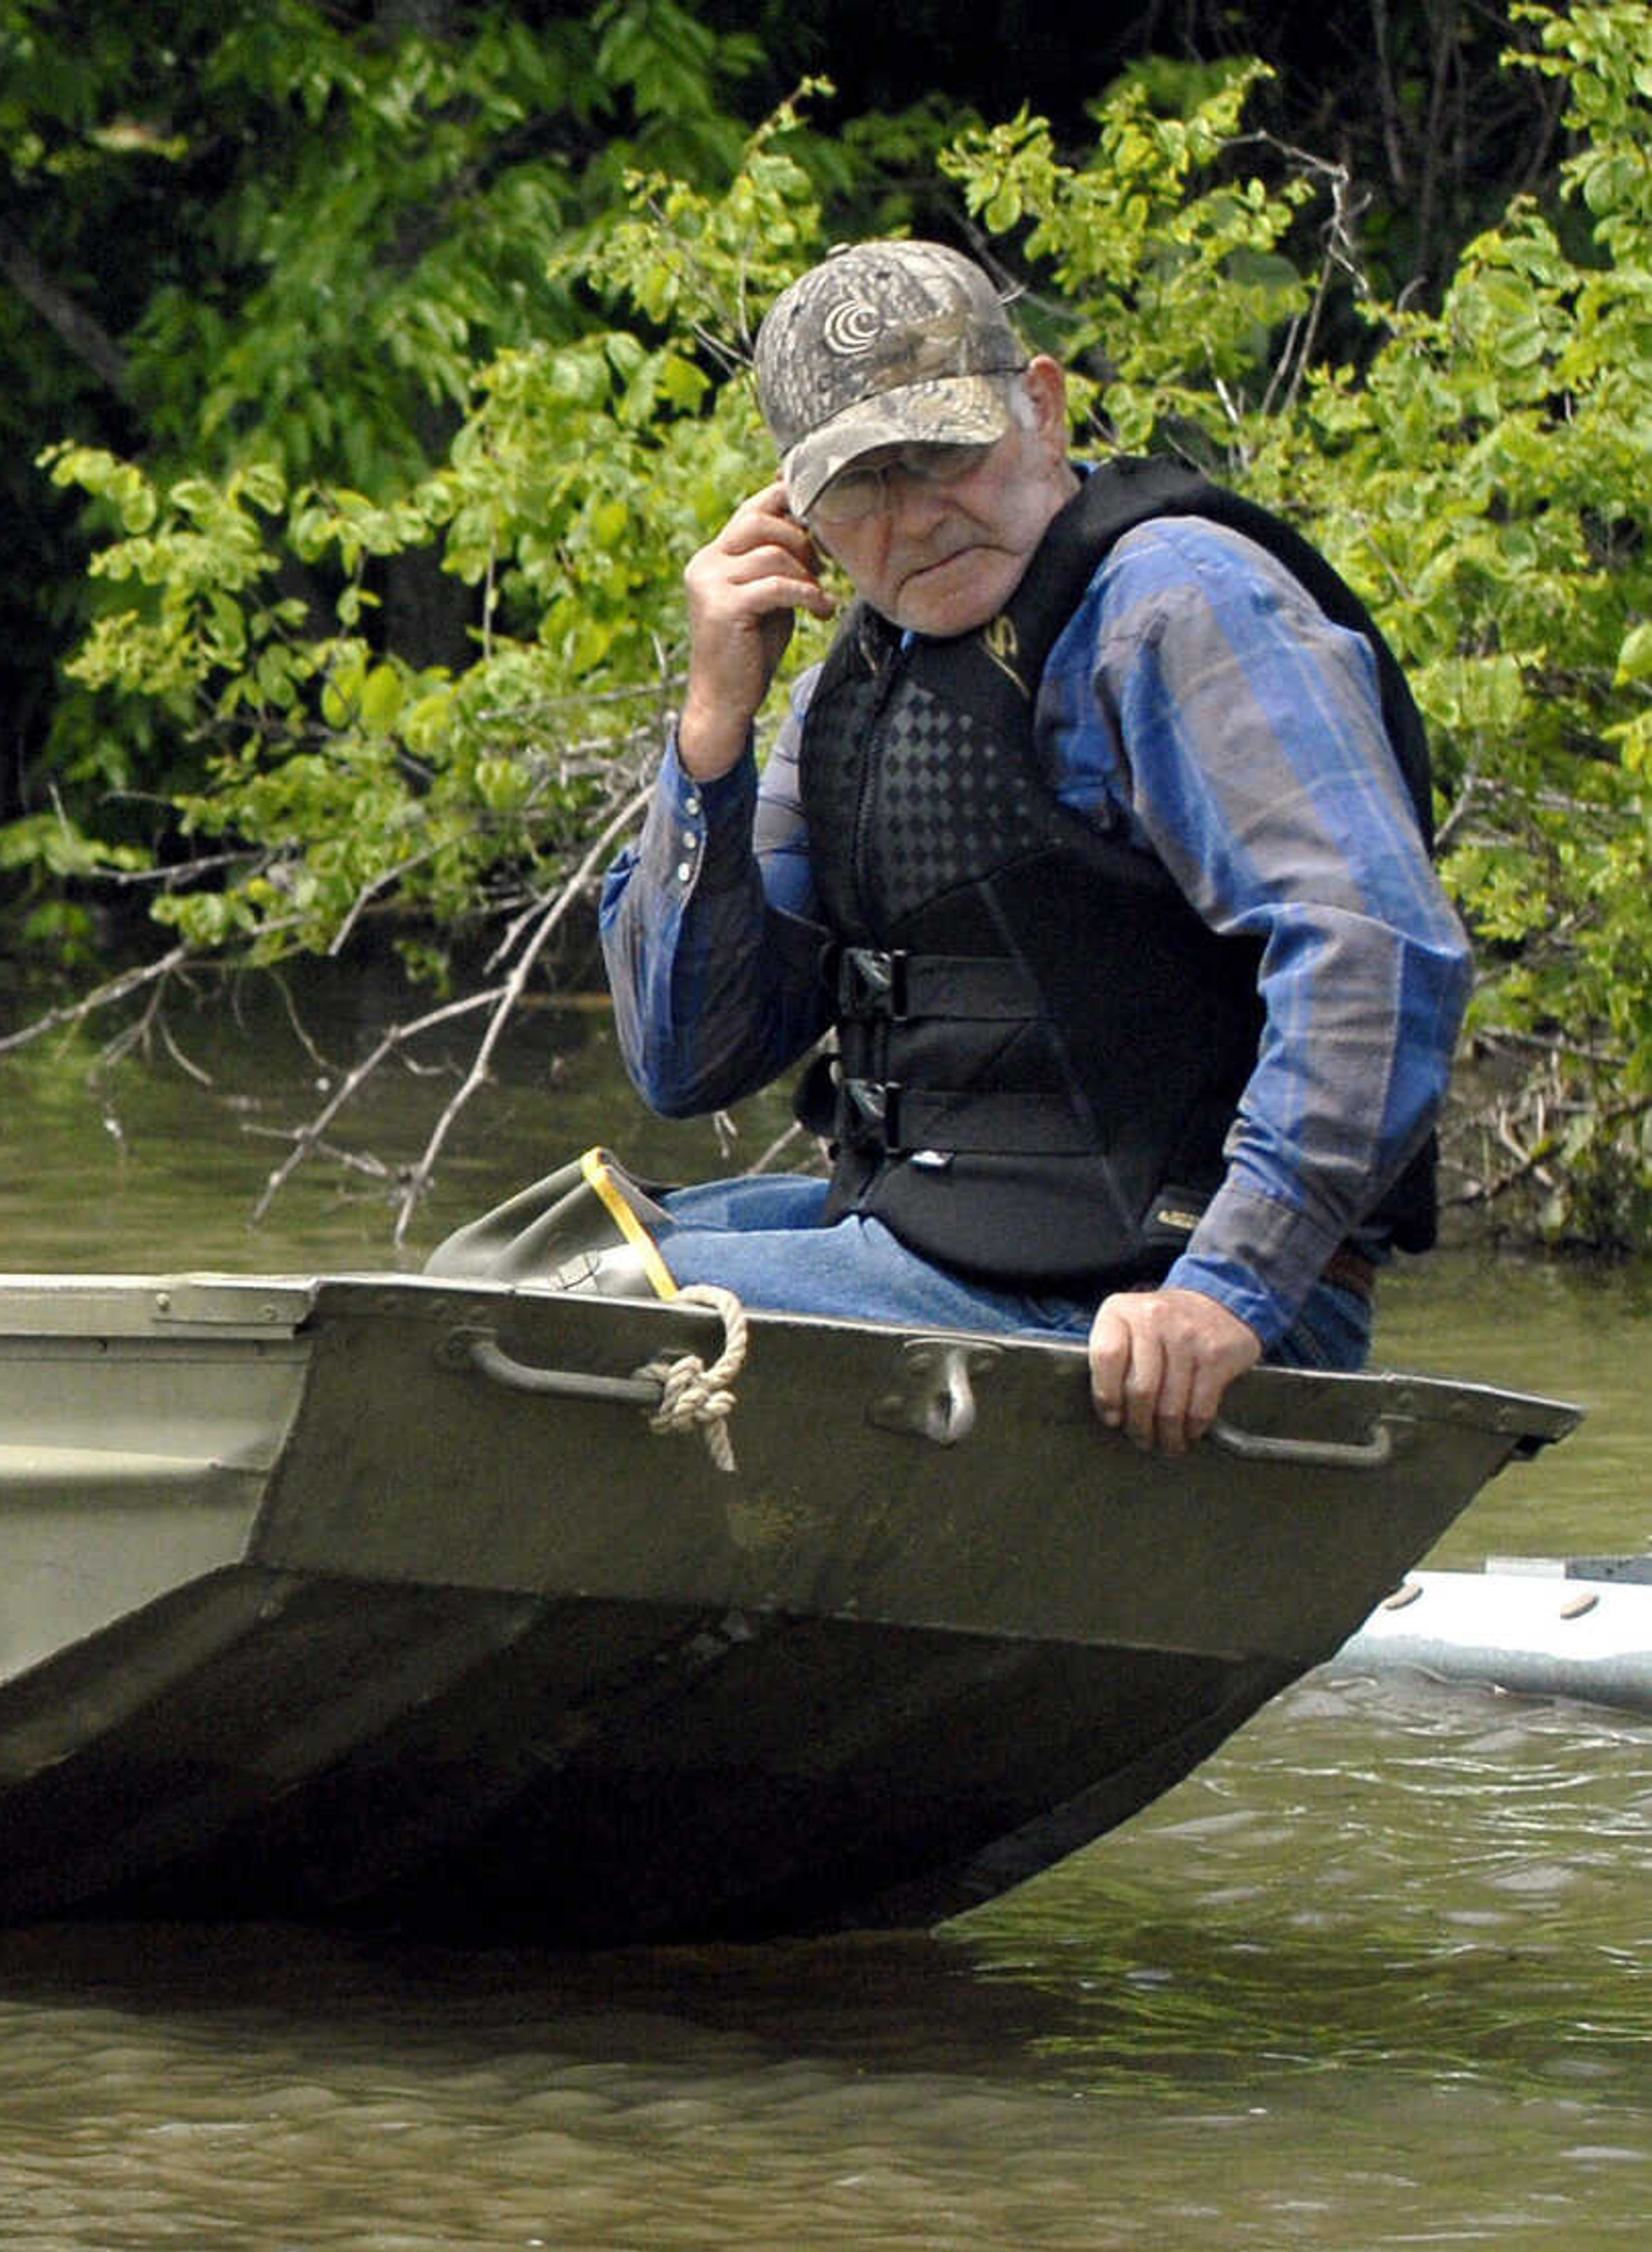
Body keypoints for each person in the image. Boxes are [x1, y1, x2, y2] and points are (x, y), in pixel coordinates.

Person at [597, 237, 1472, 1455]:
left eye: (946, 452)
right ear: (798, 518)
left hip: (1168, 1306)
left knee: (583, 1316)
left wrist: (1230, 1287)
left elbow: (1375, 952)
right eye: (862, 486)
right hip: (944, 1252)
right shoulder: (853, 686)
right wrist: (710, 735)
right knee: (553, 1251)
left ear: (1044, 411)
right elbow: (686, 1064)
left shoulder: (1179, 605)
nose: (917, 516)